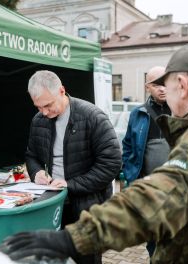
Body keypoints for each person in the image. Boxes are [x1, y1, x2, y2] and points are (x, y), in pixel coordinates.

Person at [0, 42, 188, 263]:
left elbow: (153, 201)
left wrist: (72, 239)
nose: (164, 96)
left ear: (182, 85)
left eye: (166, 87)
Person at [24, 70, 122, 264]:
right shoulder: (38, 121)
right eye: (38, 107)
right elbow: (31, 155)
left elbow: (111, 164)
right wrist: (37, 173)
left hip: (88, 207)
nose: (44, 112)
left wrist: (70, 184)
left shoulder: (93, 116)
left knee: (86, 258)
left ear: (61, 91)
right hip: (54, 205)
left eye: (48, 105)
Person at [122, 66, 171, 258]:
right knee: (152, 240)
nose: (162, 88)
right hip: (148, 190)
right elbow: (127, 145)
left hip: (176, 188)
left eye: (166, 82)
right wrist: (130, 174)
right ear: (147, 87)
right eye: (157, 84)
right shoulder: (138, 113)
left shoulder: (182, 111)